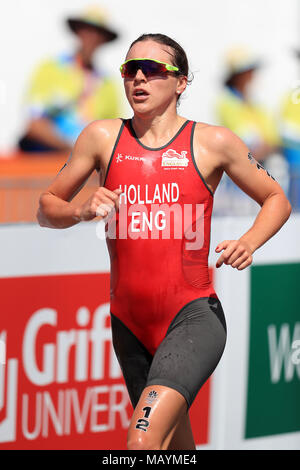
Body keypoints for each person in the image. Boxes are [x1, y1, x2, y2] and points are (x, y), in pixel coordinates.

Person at [37, 33, 291, 450]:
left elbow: (276, 198)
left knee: (141, 442)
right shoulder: (101, 137)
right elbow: (46, 208)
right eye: (129, 69)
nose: (138, 78)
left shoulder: (213, 142)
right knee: (173, 450)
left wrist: (249, 241)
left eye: (153, 70)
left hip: (191, 318)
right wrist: (80, 210)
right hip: (128, 324)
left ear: (181, 83)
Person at [18, 6, 121, 153]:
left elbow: (114, 135)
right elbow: (34, 124)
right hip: (50, 155)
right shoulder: (50, 69)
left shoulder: (108, 84)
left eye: (98, 33)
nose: (91, 37)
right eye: (87, 30)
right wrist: (72, 151)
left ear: (104, 40)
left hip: (89, 163)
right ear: (78, 32)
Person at [215, 47, 288, 215]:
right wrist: (272, 145)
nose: (253, 74)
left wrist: (271, 144)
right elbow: (252, 146)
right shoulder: (228, 103)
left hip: (259, 179)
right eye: (248, 70)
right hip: (241, 185)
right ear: (238, 75)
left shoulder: (253, 104)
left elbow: (271, 138)